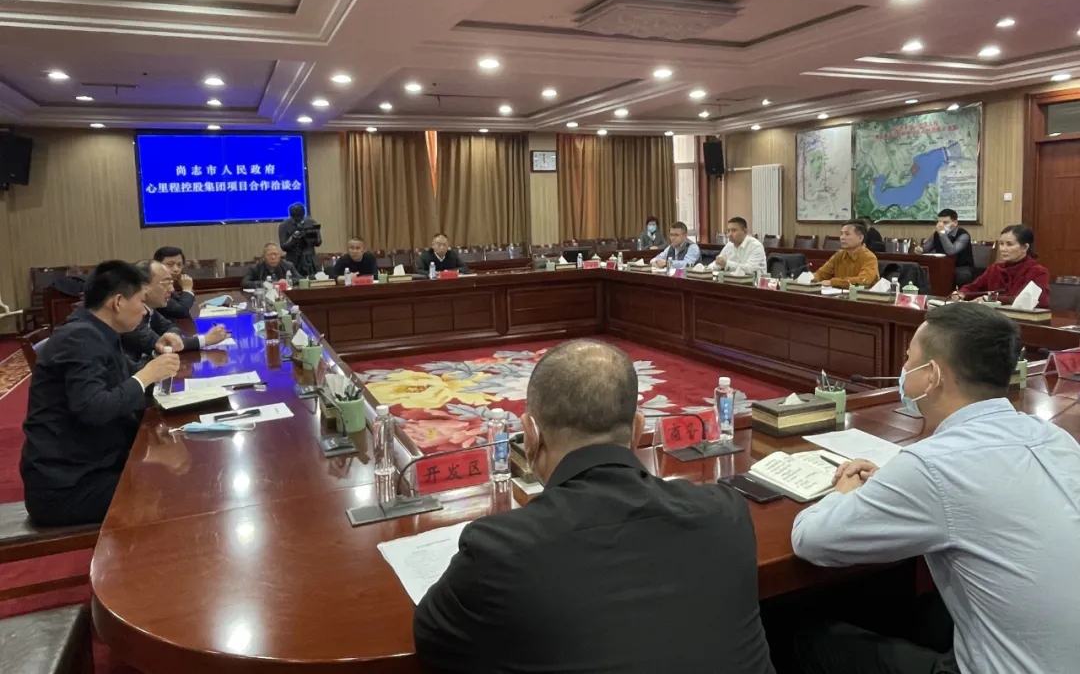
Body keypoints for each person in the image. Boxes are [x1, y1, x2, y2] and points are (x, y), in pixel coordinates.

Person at [414, 339, 775, 674]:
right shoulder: (725, 512)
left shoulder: (499, 550)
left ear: (531, 435)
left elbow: (431, 638)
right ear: (637, 429)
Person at [789, 303, 1080, 674]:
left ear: (932, 375)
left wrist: (844, 491)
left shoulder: (933, 465)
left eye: (908, 359)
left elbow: (811, 540)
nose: (904, 369)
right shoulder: (1054, 437)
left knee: (802, 637)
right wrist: (895, 483)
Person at [20, 261, 181, 527]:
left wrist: (156, 369)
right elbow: (93, 408)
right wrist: (147, 376)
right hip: (67, 486)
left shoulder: (97, 331)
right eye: (141, 301)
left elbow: (124, 383)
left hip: (92, 464)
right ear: (117, 302)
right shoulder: (79, 338)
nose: (144, 311)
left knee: (172, 474)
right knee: (171, 492)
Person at [121, 261, 229, 365]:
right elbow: (159, 345)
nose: (172, 289)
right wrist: (205, 340)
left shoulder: (149, 308)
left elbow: (170, 327)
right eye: (166, 283)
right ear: (143, 287)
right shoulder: (129, 316)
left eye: (171, 283)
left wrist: (172, 338)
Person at [953, 224, 1049, 307]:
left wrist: (992, 299)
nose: (1003, 249)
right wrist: (961, 294)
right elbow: (974, 288)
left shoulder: (1038, 272)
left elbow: (1035, 301)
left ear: (1024, 247)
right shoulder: (995, 268)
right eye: (1001, 244)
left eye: (1009, 244)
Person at [914, 209, 976, 288]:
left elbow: (951, 251)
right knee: (921, 270)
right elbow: (926, 248)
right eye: (939, 222)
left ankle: (960, 294)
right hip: (942, 264)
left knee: (963, 275)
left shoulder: (963, 235)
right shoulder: (937, 234)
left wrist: (942, 234)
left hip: (960, 266)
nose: (941, 225)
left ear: (955, 223)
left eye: (945, 222)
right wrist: (920, 250)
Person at [812, 220, 880, 289]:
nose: (842, 237)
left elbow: (863, 281)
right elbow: (821, 274)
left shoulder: (869, 257)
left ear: (860, 238)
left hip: (862, 295)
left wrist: (833, 282)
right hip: (839, 294)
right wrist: (809, 278)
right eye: (841, 234)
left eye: (847, 234)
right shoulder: (839, 255)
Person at [278, 202, 322, 277]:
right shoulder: (284, 225)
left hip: (310, 260)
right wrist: (293, 239)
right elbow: (283, 246)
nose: (298, 221)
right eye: (295, 219)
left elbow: (318, 242)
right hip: (293, 261)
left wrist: (312, 235)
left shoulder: (311, 223)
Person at [152, 246, 195, 321]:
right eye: (169, 264)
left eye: (179, 265)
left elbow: (178, 303)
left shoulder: (170, 284)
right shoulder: (155, 286)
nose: (176, 269)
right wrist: (187, 290)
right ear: (157, 265)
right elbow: (181, 312)